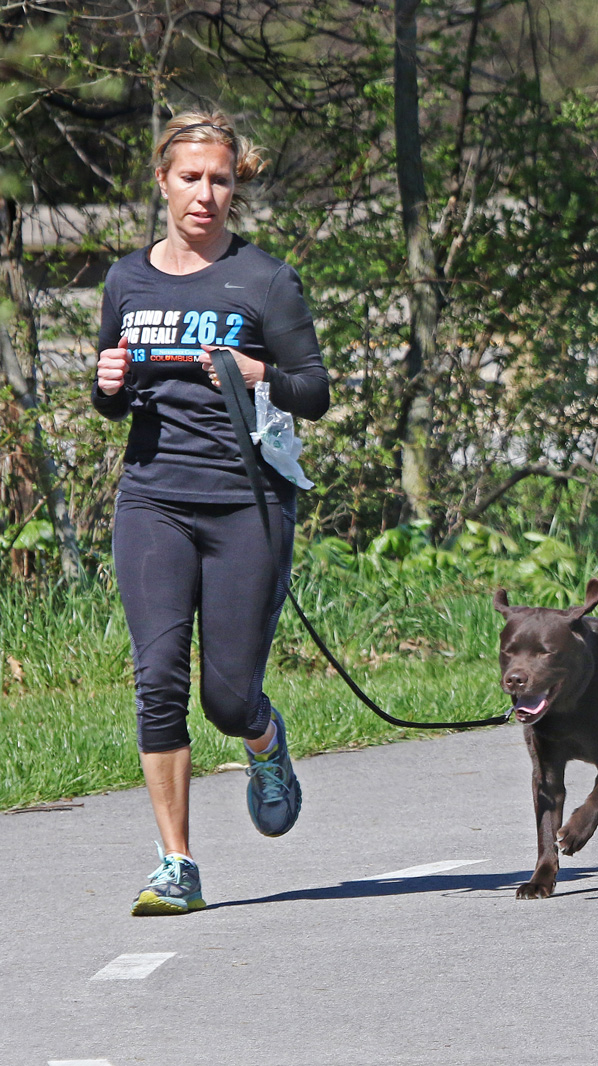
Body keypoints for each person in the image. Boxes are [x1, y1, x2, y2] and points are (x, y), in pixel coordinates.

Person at [93, 110, 330, 915]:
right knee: (157, 678)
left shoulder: (265, 280)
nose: (206, 194)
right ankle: (177, 864)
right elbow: (113, 401)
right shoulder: (127, 280)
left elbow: (315, 393)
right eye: (190, 178)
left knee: (227, 700)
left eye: (220, 179)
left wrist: (251, 366)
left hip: (247, 505)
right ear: (162, 181)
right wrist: (106, 384)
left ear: (237, 185)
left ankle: (265, 741)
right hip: (153, 499)